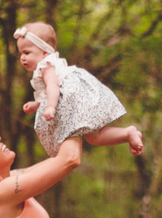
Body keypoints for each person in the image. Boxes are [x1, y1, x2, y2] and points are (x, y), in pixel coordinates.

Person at [15, 22, 144, 158]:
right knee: (94, 137)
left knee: (71, 136)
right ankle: (127, 133)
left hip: (75, 96)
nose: (22, 58)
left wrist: (51, 107)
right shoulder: (48, 64)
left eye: (27, 52)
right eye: (20, 54)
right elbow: (50, 94)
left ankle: (63, 161)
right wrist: (37, 105)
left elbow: (53, 86)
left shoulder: (45, 66)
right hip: (82, 93)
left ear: (45, 52)